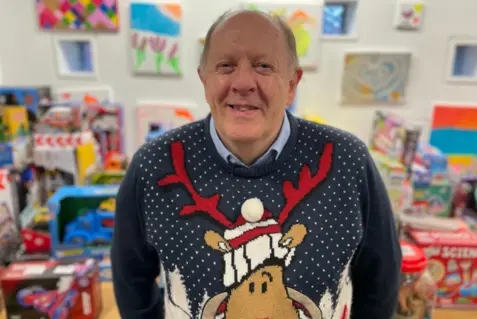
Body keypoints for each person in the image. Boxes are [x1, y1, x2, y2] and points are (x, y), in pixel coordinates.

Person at [111, 9, 401, 319]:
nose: (243, 82)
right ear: (204, 80)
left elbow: (380, 281)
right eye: (226, 66)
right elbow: (131, 280)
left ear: (292, 84)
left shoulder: (347, 161)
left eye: (263, 66)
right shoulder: (153, 166)